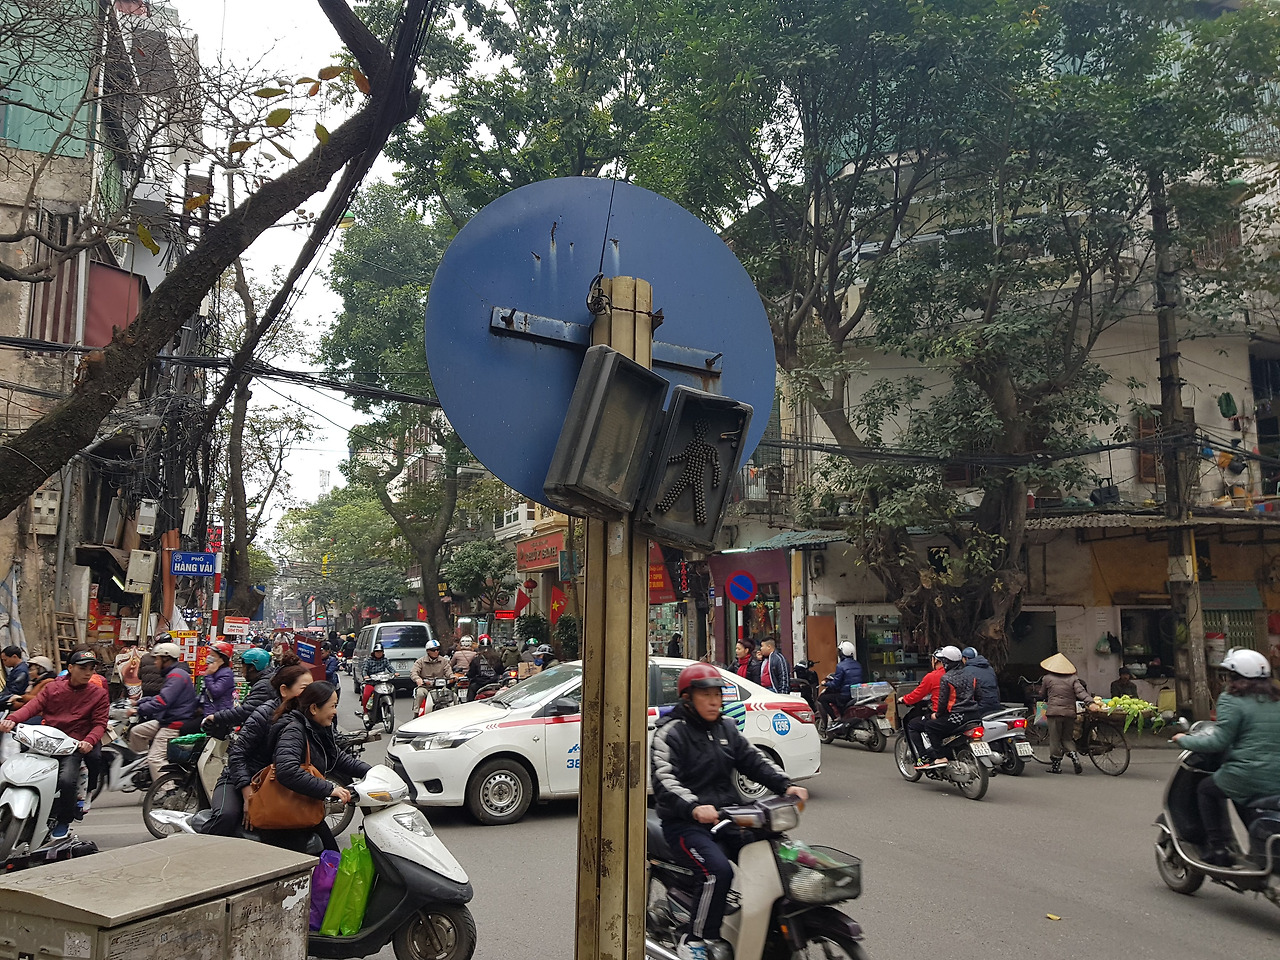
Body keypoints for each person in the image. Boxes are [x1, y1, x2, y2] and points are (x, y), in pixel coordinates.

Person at [651, 662, 809, 960]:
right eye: (706, 695)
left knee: (777, 853)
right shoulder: (670, 733)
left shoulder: (726, 727)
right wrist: (694, 807)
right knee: (716, 872)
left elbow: (753, 760)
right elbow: (664, 780)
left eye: (717, 695)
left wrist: (786, 785)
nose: (714, 701)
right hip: (685, 824)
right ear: (688, 698)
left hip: (726, 817)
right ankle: (696, 940)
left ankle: (770, 927)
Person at [1172, 648, 1280, 867]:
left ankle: (1219, 848)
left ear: (1235, 676)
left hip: (1248, 774)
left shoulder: (1232, 699)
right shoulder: (1276, 698)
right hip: (1276, 777)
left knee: (1206, 789)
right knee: (1237, 792)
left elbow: (1218, 742)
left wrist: (1184, 740)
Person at [0, 650, 108, 842]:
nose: (87, 672)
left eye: (91, 669)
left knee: (67, 781)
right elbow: (32, 707)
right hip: (45, 741)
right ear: (70, 668)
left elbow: (100, 724)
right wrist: (12, 720)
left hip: (72, 746)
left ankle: (64, 820)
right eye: (83, 668)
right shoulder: (52, 688)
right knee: (11, 771)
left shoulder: (98, 694)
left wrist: (89, 741)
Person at [200, 664, 313, 837]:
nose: (310, 694)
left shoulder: (308, 717)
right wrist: (248, 794)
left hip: (274, 785)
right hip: (238, 780)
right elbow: (237, 755)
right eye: (304, 689)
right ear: (284, 690)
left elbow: (332, 753)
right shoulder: (264, 714)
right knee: (226, 816)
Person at [266, 681, 371, 852]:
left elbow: (337, 758)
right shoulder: (294, 730)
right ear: (314, 708)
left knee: (332, 858)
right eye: (332, 706)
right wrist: (329, 789)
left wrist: (373, 772)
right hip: (290, 815)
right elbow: (287, 770)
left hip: (306, 808)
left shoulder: (316, 728)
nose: (335, 712)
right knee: (329, 859)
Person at [128, 641, 197, 781]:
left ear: (166, 659)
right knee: (136, 732)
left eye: (158, 659)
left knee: (155, 758)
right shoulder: (173, 674)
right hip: (165, 719)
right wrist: (139, 702)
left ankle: (166, 789)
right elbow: (161, 697)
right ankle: (146, 769)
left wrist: (138, 710)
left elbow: (162, 701)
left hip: (174, 723)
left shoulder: (176, 676)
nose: (155, 662)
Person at [203, 646, 279, 736]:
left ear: (252, 668)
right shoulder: (266, 681)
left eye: (243, 667)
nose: (242, 671)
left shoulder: (264, 686)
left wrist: (216, 717)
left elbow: (246, 711)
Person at [1039, 652, 1091, 774]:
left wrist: (1041, 695)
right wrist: (1090, 701)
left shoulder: (1047, 678)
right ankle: (1074, 756)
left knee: (1055, 739)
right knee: (1067, 739)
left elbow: (1042, 694)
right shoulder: (1073, 679)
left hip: (1054, 713)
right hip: (1069, 713)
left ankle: (1056, 766)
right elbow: (1080, 692)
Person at [818, 641, 862, 721]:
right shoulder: (858, 664)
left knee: (822, 698)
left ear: (842, 653)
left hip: (845, 696)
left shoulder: (840, 666)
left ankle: (835, 718)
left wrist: (826, 683)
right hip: (855, 694)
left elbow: (835, 684)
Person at [411, 639, 452, 711]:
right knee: (420, 694)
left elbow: (448, 671)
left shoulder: (444, 661)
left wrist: (452, 677)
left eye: (438, 649)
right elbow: (414, 672)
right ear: (428, 651)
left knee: (453, 695)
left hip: (440, 688)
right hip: (425, 687)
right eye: (433, 650)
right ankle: (416, 713)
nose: (436, 652)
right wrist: (417, 679)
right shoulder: (420, 661)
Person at [199, 642, 238, 716]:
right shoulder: (214, 671)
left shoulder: (226, 673)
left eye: (213, 655)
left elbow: (215, 692)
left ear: (222, 659)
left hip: (218, 714)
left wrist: (208, 675)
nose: (209, 657)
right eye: (209, 654)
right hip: (209, 711)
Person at [960, 646, 1001, 714]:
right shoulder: (990, 669)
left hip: (979, 708)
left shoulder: (966, 671)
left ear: (965, 658)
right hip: (995, 705)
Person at [359, 643, 390, 717]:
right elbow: (364, 670)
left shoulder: (385, 660)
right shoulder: (368, 661)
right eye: (377, 652)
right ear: (374, 652)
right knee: (366, 695)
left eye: (380, 652)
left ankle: (387, 709)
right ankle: (366, 713)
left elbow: (390, 667)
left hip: (381, 683)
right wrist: (365, 676)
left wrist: (394, 673)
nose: (379, 653)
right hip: (370, 682)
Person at [0, 645, 29, 710]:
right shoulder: (17, 669)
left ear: (14, 657)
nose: (4, 663)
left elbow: (15, 690)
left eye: (5, 660)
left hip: (15, 699)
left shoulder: (21, 671)